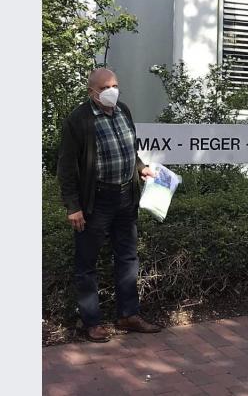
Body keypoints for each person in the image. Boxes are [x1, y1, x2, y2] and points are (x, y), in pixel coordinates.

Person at [57, 68, 162, 342]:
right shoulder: (78, 121)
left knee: (128, 257)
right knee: (87, 263)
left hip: (126, 197)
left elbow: (129, 149)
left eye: (115, 85)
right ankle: (92, 322)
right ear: (92, 91)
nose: (112, 91)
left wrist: (140, 168)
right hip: (97, 201)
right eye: (105, 88)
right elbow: (66, 168)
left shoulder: (123, 110)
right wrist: (73, 206)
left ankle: (128, 315)